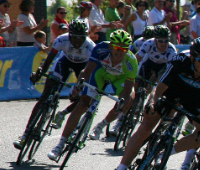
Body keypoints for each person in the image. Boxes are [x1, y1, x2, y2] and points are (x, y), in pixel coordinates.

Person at [105, 37, 200, 170]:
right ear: (192, 57)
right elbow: (159, 89)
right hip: (171, 91)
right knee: (147, 125)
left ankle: (165, 153)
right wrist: (152, 102)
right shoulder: (180, 60)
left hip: (194, 98)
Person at [47, 30, 137, 160]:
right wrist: (78, 86)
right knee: (82, 104)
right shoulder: (100, 49)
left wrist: (123, 102)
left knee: (130, 99)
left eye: (124, 49)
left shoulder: (131, 61)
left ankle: (102, 125)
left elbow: (128, 89)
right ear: (111, 46)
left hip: (119, 79)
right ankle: (60, 145)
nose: (119, 52)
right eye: (117, 47)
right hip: (100, 73)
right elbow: (87, 70)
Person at [14, 19, 94, 150]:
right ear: (69, 34)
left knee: (83, 97)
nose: (77, 41)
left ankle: (63, 113)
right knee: (45, 95)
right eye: (74, 37)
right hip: (65, 62)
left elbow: (90, 71)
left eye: (81, 38)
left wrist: (79, 87)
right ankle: (26, 133)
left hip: (83, 67)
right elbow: (49, 59)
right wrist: (40, 73)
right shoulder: (62, 40)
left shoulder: (91, 47)